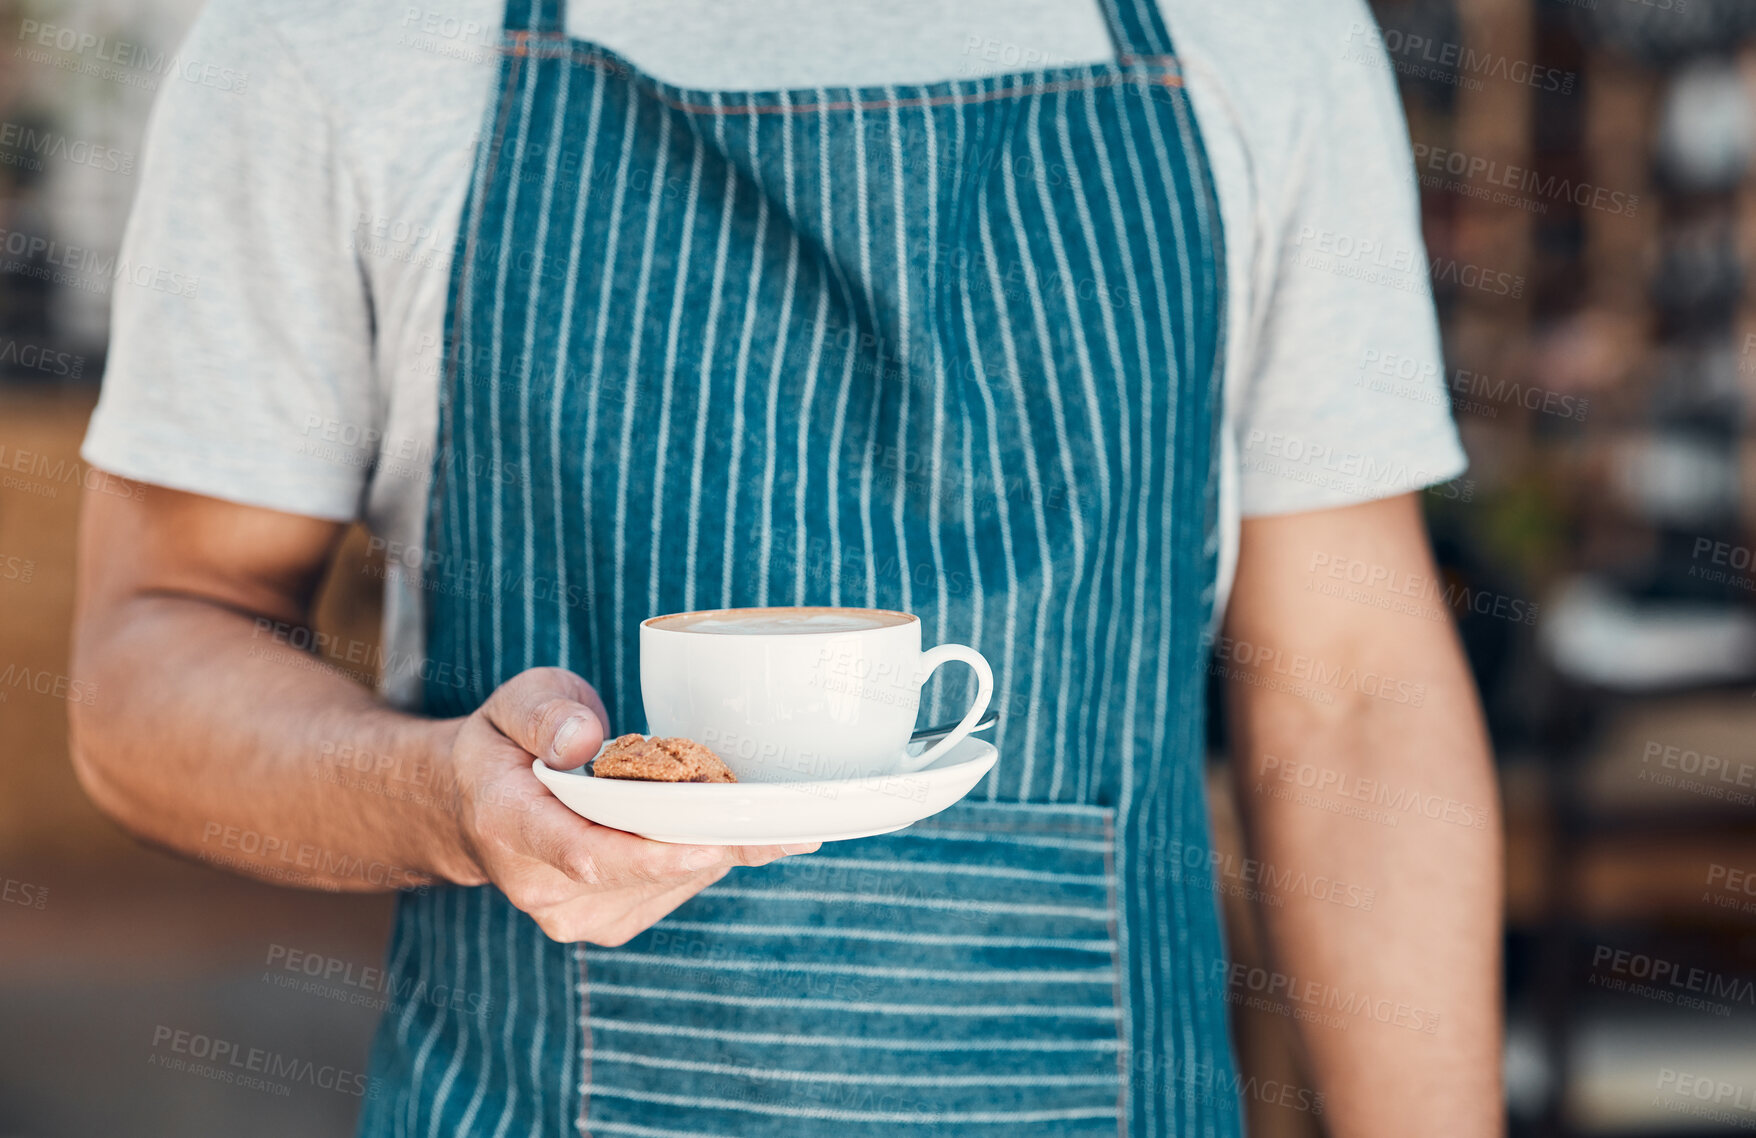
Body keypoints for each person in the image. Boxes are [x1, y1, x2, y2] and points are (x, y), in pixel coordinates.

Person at [69, 0, 1503, 1133]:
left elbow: (1353, 694)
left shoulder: (1263, 32)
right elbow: (150, 656)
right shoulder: (331, 35)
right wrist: (446, 801)